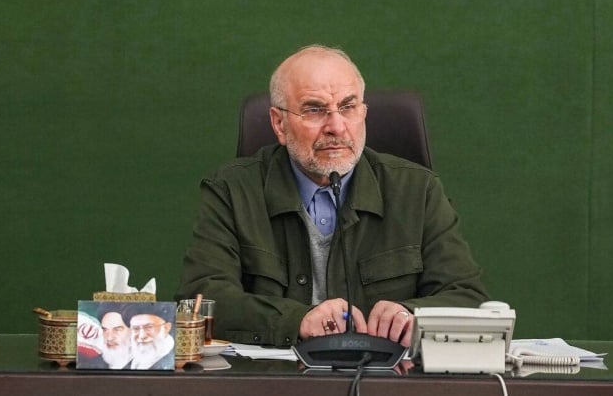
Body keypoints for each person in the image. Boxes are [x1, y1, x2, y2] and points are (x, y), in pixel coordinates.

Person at [175, 44, 488, 349]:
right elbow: (200, 299)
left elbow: (469, 298)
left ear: (363, 113)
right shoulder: (231, 190)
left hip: (387, 375)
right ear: (279, 124)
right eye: (315, 110)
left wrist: (410, 314)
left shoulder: (418, 190)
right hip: (274, 376)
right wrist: (296, 320)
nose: (337, 127)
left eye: (348, 107)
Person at [124, 304, 175, 370]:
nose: (142, 336)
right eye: (136, 329)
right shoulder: (130, 364)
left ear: (166, 328)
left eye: (149, 327)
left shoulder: (174, 361)